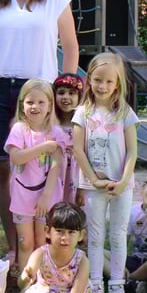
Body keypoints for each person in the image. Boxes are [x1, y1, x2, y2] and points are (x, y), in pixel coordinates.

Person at [0, 0, 78, 269]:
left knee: (48, 166)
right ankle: (15, 245)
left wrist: (65, 90)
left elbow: (71, 47)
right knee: (4, 169)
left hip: (39, 92)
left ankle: (52, 248)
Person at [72, 53, 139, 293]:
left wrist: (123, 181)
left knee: (118, 235)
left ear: (117, 84)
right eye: (97, 80)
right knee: (96, 237)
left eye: (108, 82)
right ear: (89, 81)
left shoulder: (125, 113)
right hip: (94, 187)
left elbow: (132, 151)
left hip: (121, 186)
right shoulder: (83, 113)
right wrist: (92, 179)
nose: (102, 86)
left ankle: (117, 286)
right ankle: (96, 285)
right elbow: (78, 150)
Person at [6, 78, 64, 276]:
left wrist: (46, 196)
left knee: (42, 242)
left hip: (46, 199)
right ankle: (25, 285)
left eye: (41, 102)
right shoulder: (19, 129)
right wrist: (42, 148)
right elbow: (16, 157)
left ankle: (43, 282)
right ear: (22, 105)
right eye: (30, 102)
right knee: (25, 243)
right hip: (22, 197)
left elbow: (56, 165)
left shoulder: (56, 133)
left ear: (50, 106)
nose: (35, 106)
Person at [52, 73, 84, 205]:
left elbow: (87, 157)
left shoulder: (83, 125)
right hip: (53, 177)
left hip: (75, 178)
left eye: (72, 93)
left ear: (79, 97)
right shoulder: (50, 125)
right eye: (61, 92)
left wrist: (82, 187)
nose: (66, 97)